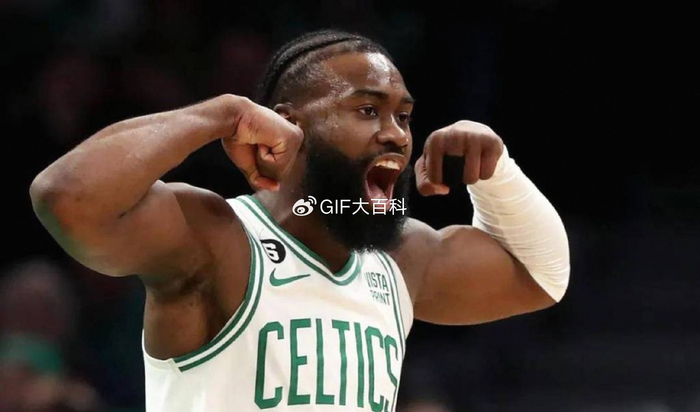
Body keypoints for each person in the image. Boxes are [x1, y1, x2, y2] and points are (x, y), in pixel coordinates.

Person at [30, 29, 570, 412]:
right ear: (287, 124)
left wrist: (497, 173)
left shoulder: (401, 259)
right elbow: (66, 198)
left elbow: (543, 276)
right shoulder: (215, 238)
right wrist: (220, 115)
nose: (396, 134)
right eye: (368, 110)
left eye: (403, 116)